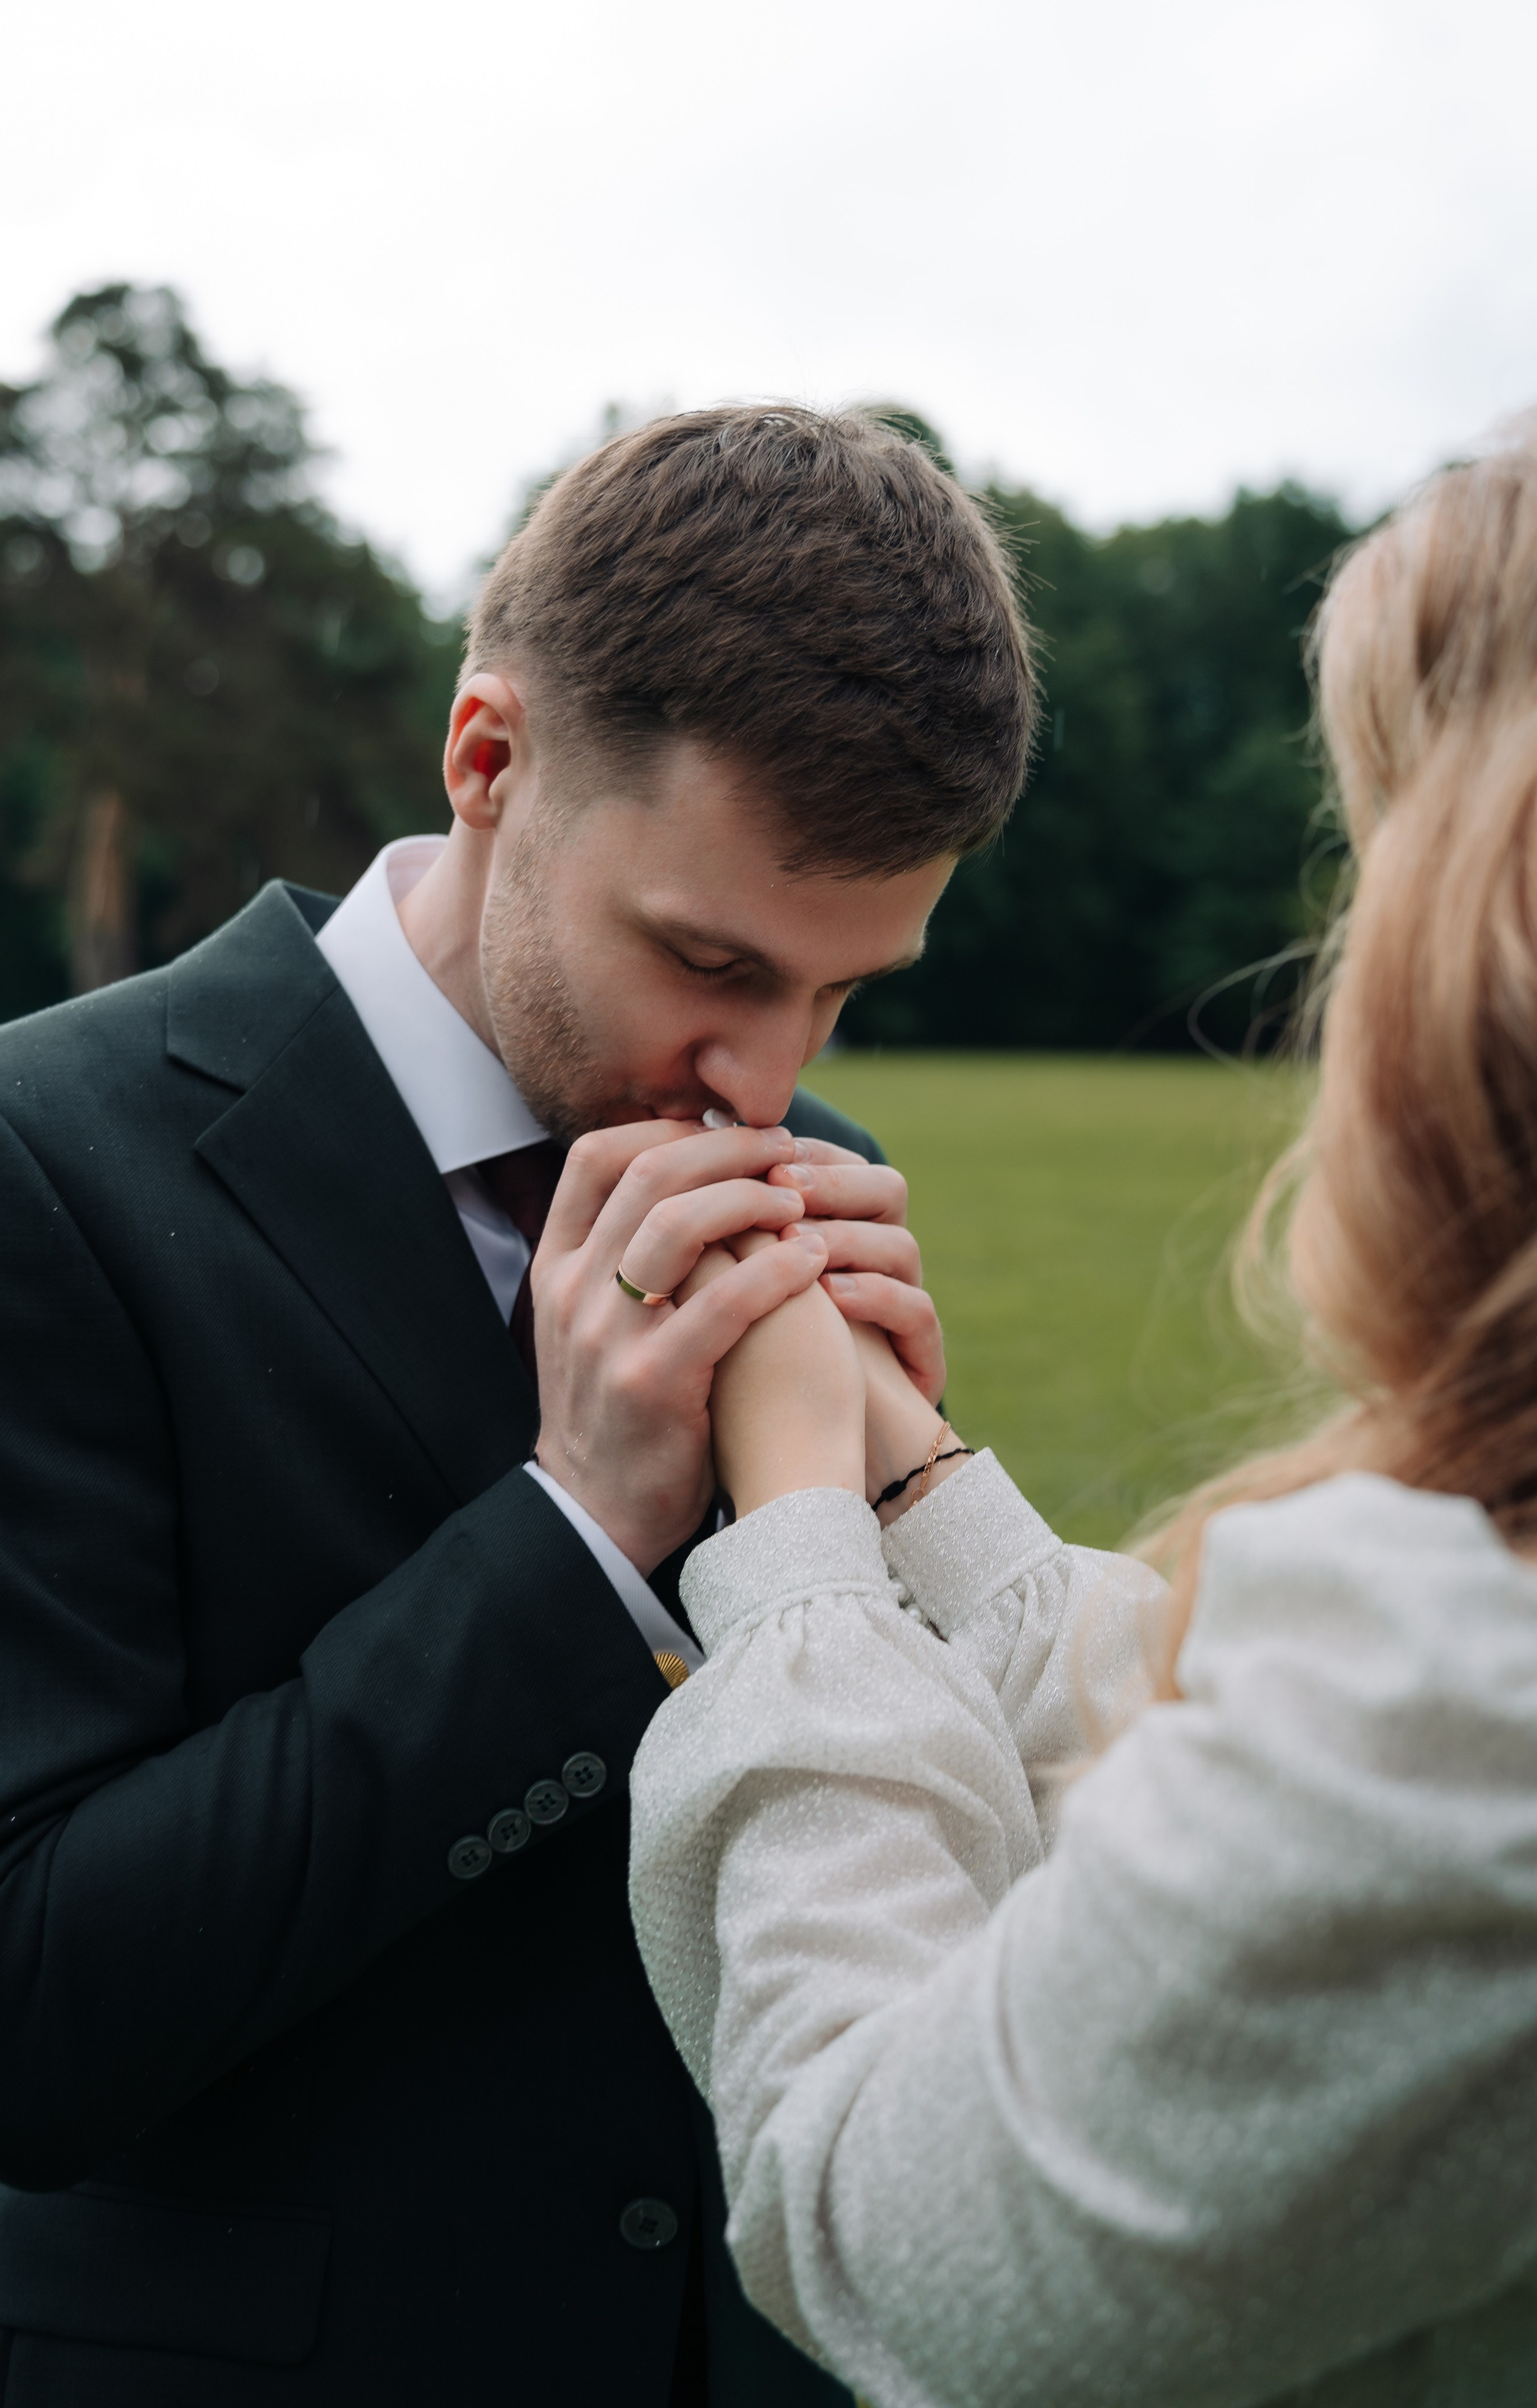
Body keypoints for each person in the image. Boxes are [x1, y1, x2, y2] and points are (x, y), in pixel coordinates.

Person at [0, 407, 1034, 2405]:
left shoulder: (810, 1171)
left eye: (842, 994)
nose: (768, 1085)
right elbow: (14, 2019)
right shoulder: (16, 1162)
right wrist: (570, 1536)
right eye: (710, 959)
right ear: (491, 761)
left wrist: (912, 1532)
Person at [628, 428, 1537, 2408]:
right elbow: (1223, 1844)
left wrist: (792, 1522)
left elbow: (889, 2223)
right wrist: (922, 1480)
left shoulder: (1463, 1699)